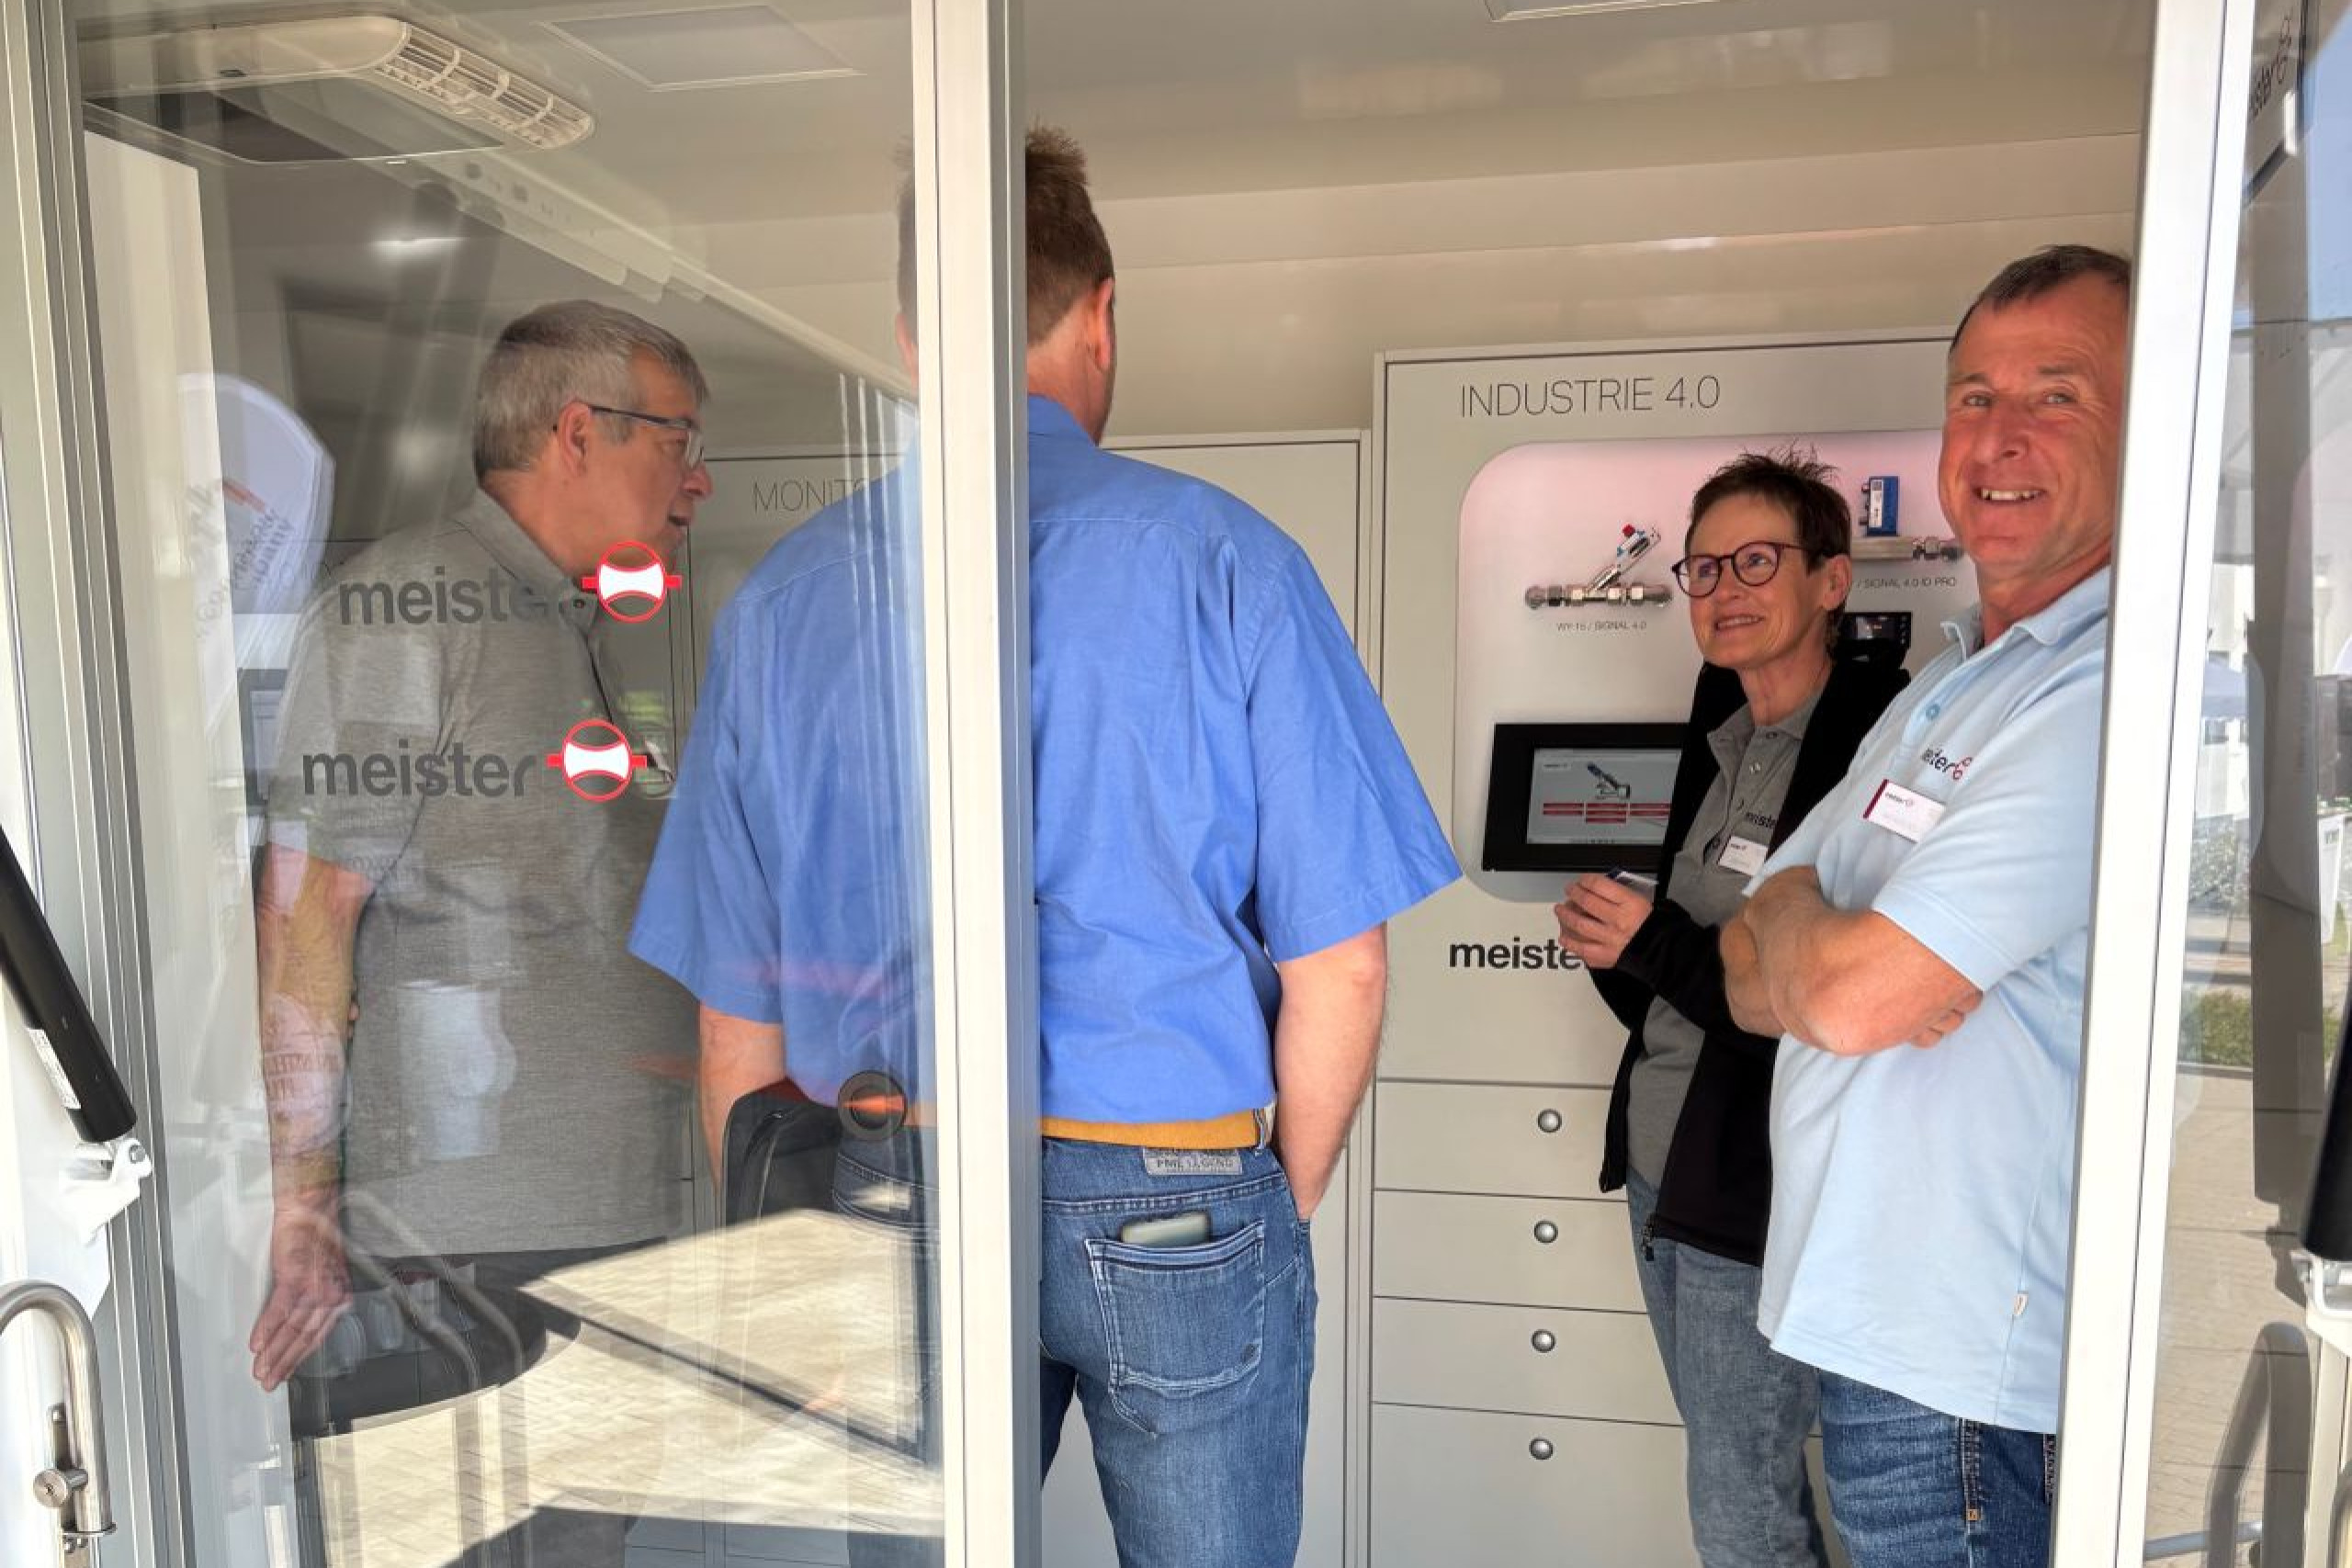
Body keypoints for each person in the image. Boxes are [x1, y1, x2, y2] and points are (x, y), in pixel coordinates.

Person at [629, 126, 1458, 1568]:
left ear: (909, 338)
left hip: (895, 1169)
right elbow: (1348, 967)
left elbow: (732, 1022)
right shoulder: (1226, 558)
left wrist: (788, 1253)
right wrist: (1264, 1200)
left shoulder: (785, 600)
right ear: (1102, 313)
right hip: (1175, 1180)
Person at [1723, 243, 2131, 1568]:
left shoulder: (2102, 692)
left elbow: (1837, 995)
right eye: (1974, 397)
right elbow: (1747, 957)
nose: (1999, 437)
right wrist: (1820, 940)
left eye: (2057, 395)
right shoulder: (1949, 681)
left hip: (1967, 1374)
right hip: (1885, 1339)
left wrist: (1823, 952)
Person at [249, 299, 712, 1413]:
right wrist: (302, 1199)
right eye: (679, 440)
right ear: (578, 433)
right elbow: (307, 911)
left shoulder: (558, 620)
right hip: (473, 1241)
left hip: (593, 1212)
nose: (697, 481)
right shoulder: (407, 611)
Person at [1556, 450, 1906, 1568]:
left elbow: (1825, 998)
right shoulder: (1720, 731)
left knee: (1742, 1509)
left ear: (1831, 580)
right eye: (1702, 569)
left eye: (1756, 561)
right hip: (1662, 1169)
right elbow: (1688, 973)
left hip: (1753, 1186)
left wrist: (1654, 942)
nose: (1722, 590)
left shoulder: (1872, 752)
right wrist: (1618, 946)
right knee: (1734, 1477)